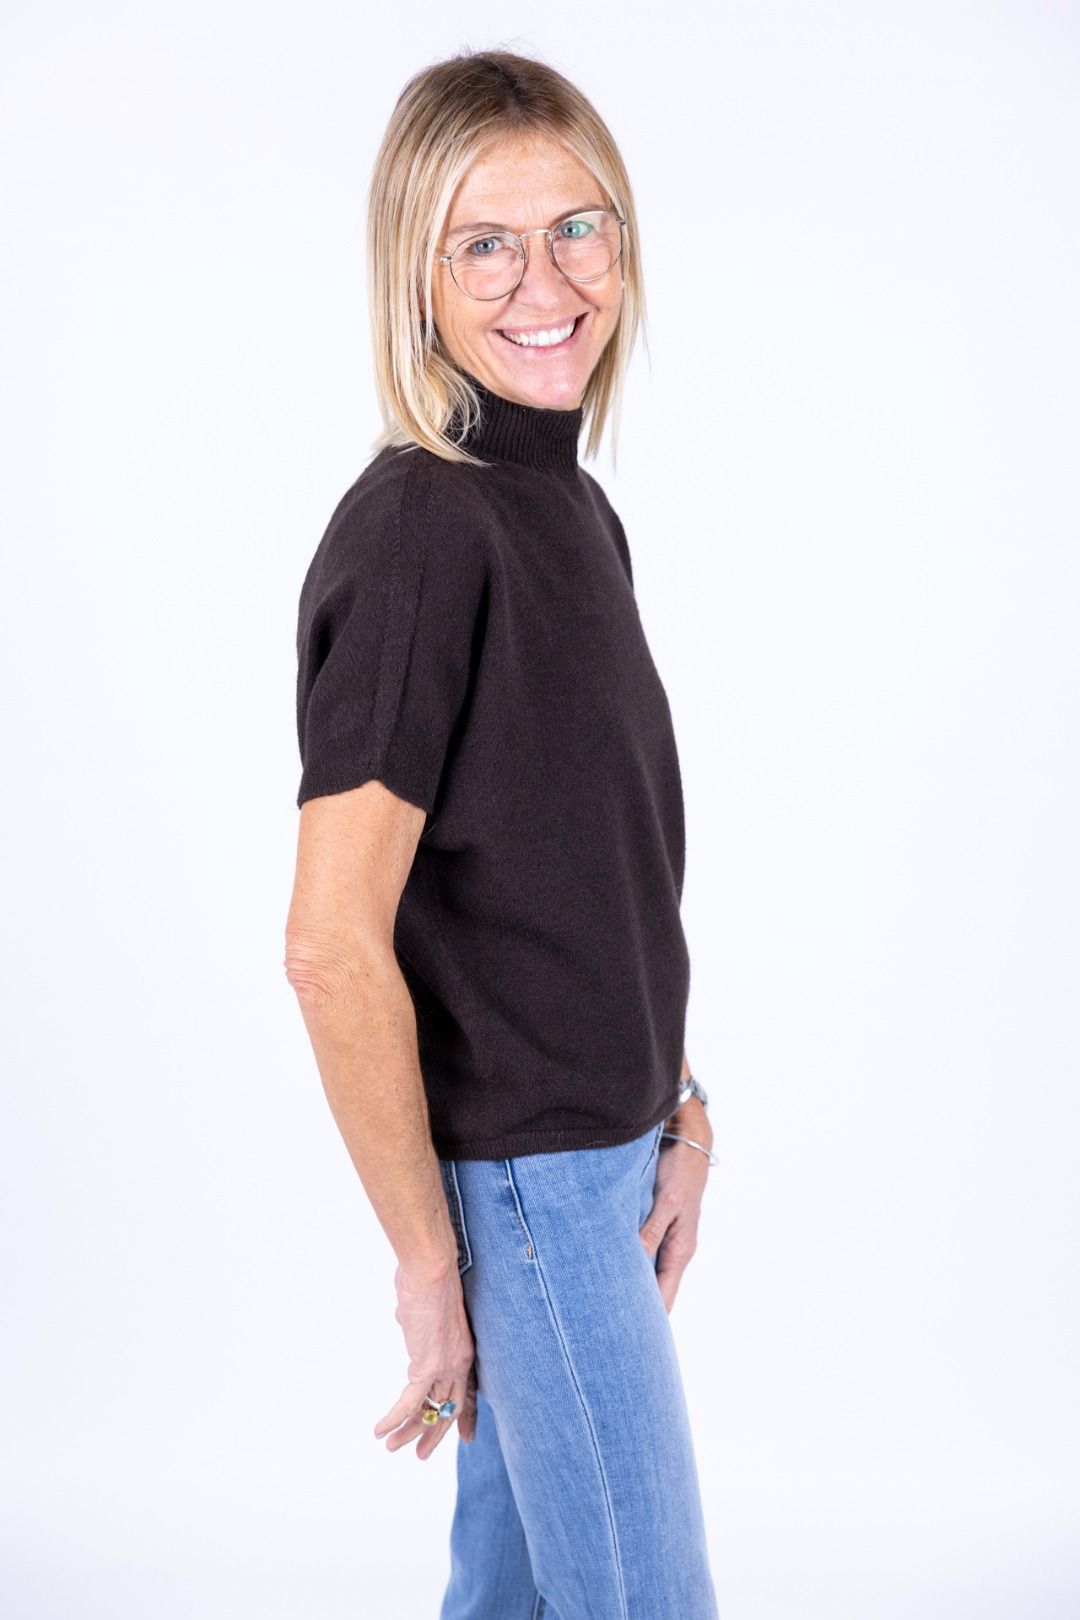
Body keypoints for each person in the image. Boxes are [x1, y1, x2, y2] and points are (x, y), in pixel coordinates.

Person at [285, 47, 720, 1620]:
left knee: (518, 1600)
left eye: (577, 227)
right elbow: (332, 946)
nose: (548, 283)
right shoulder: (422, 531)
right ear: (415, 276)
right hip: (529, 1199)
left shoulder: (565, 505)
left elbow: (577, 874)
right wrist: (432, 1267)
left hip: (598, 1168)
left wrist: (674, 1105)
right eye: (485, 245)